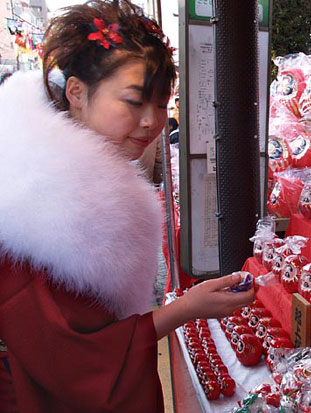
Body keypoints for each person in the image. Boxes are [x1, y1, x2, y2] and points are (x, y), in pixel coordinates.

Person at [0, 1, 255, 411]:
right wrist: (186, 309)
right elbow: (75, 363)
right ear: (77, 92)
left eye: (159, 104)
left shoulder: (74, 186)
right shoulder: (31, 215)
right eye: (135, 101)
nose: (152, 122)